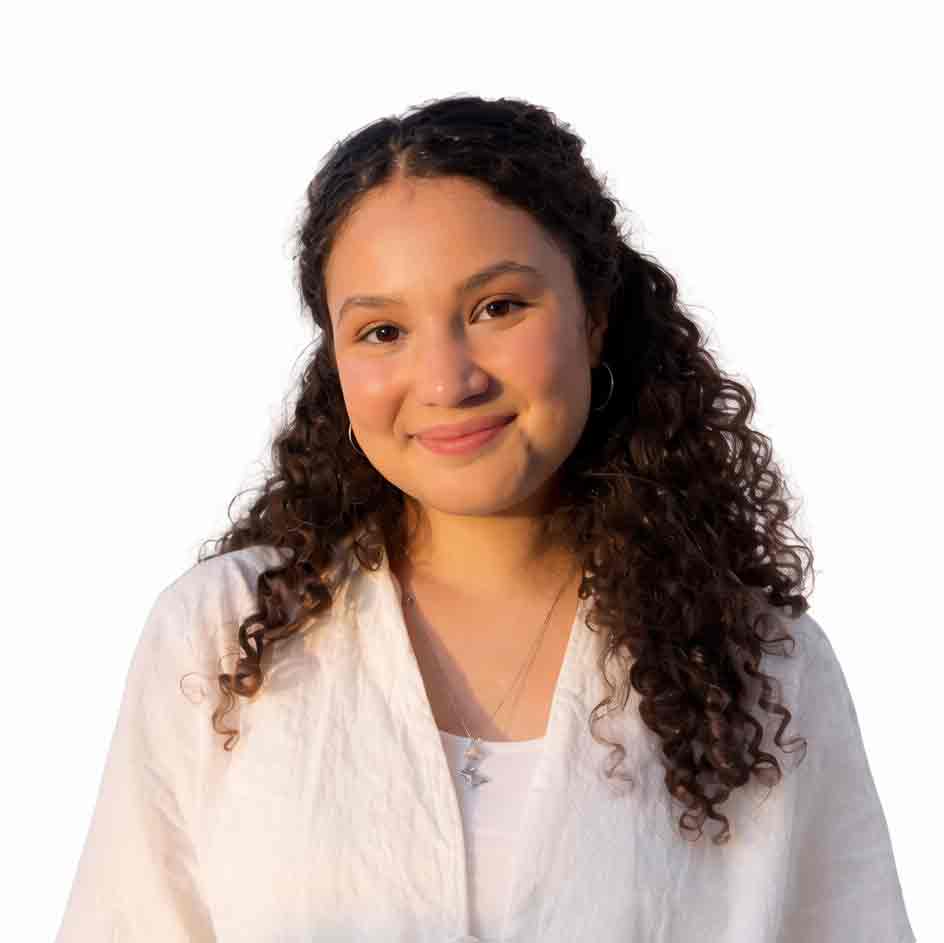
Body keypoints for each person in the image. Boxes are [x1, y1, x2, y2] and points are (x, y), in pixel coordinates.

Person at [55, 94, 915, 942]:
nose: (446, 379)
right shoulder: (218, 638)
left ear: (595, 314)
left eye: (497, 307)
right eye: (382, 331)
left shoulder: (761, 669)